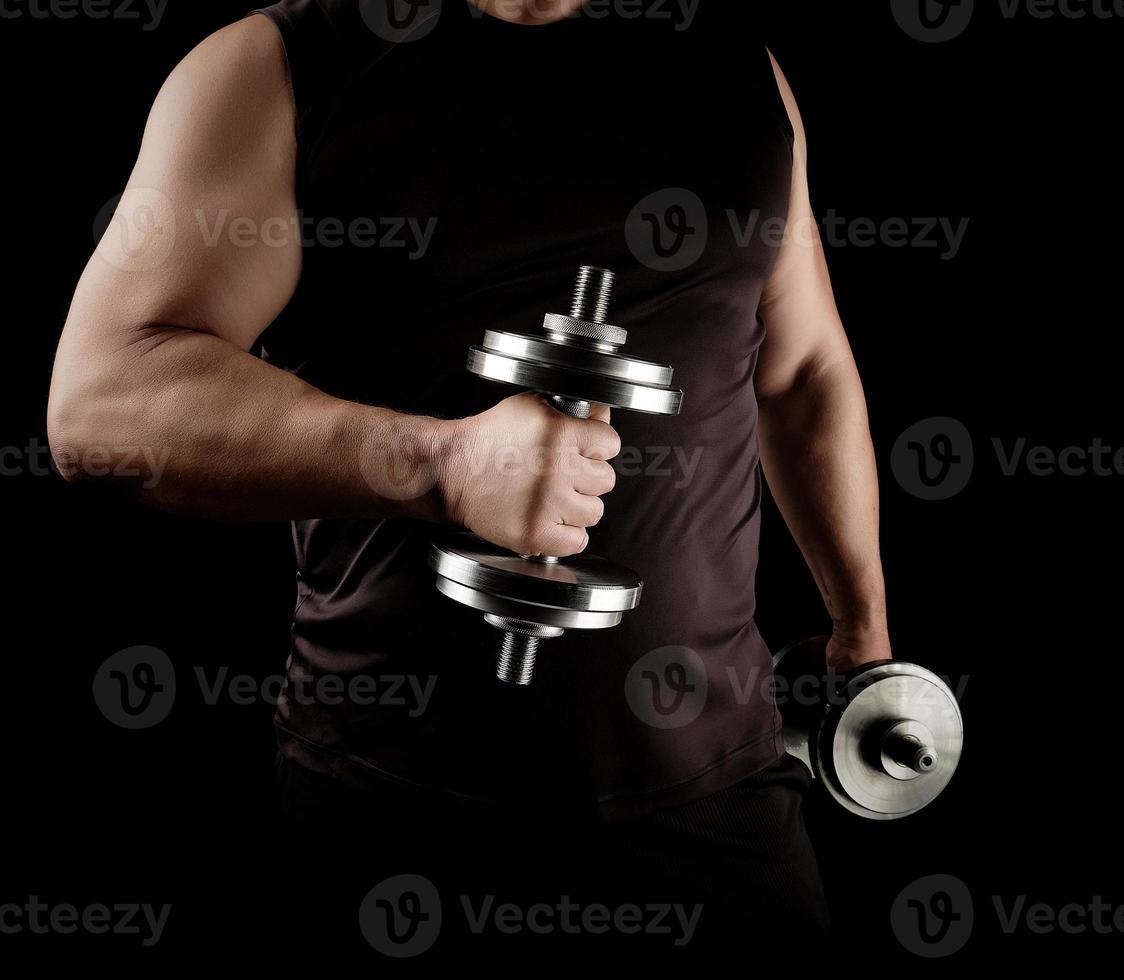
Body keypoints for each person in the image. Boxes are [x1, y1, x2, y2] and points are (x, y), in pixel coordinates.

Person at [48, 0, 892, 955]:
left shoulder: (737, 68)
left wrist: (862, 627)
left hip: (721, 804)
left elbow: (803, 370)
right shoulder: (278, 71)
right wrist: (438, 464)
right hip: (390, 815)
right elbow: (101, 405)